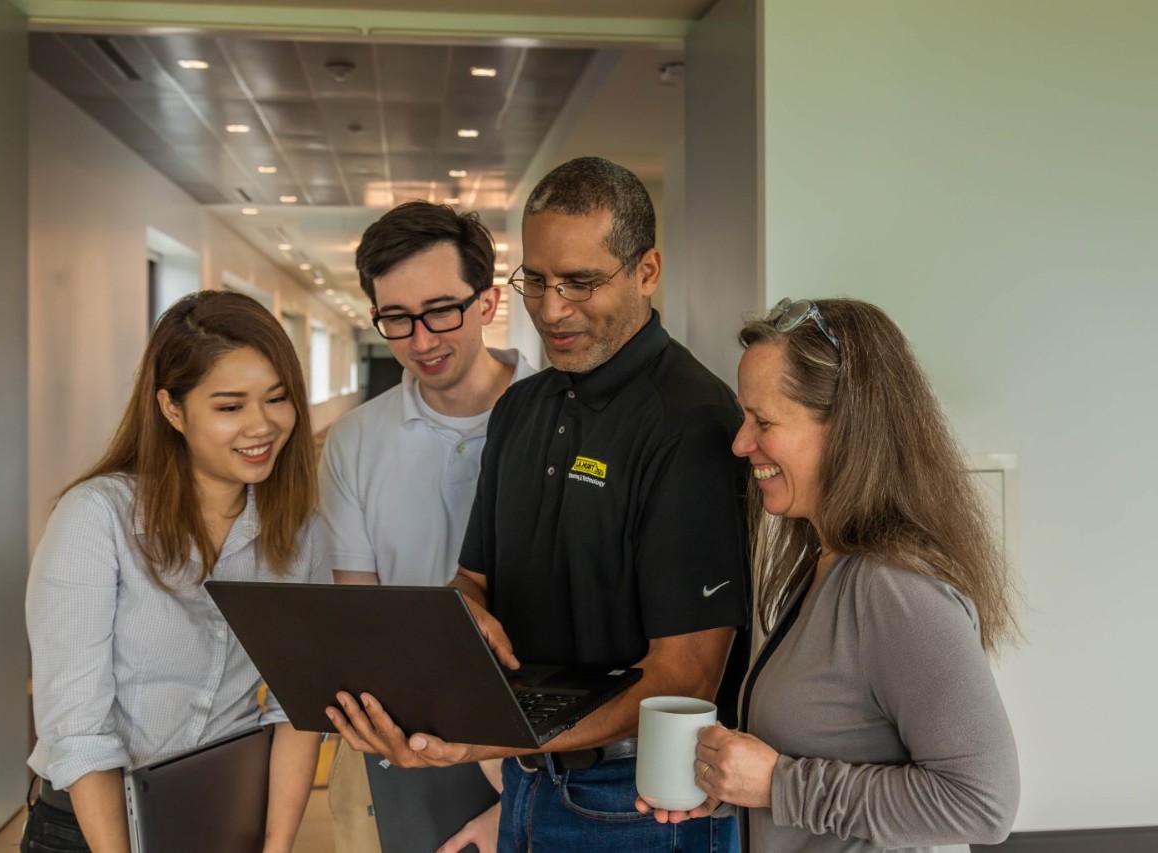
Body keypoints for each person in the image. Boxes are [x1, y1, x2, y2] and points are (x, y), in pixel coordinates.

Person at [327, 156, 752, 851]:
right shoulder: (522, 407)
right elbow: (473, 582)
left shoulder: (692, 419)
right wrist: (460, 622)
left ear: (647, 271)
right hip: (530, 784)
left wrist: (488, 736)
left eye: (581, 282)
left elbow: (686, 674)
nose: (552, 309)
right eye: (538, 280)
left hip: (642, 803)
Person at [642, 297, 1021, 852]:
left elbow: (982, 803)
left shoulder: (896, 590)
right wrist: (736, 781)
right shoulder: (826, 562)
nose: (740, 443)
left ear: (846, 429)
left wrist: (778, 784)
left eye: (763, 422)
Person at [24, 290, 322, 853]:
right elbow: (77, 728)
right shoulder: (98, 518)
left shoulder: (295, 527)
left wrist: (276, 847)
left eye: (277, 399)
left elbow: (295, 705)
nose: (262, 426)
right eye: (230, 407)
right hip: (92, 827)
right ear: (172, 409)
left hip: (222, 818)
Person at [318, 200, 533, 853]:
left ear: (488, 301)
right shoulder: (355, 440)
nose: (421, 339)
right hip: (396, 741)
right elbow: (362, 616)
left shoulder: (561, 418)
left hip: (540, 746)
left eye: (441, 309)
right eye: (396, 318)